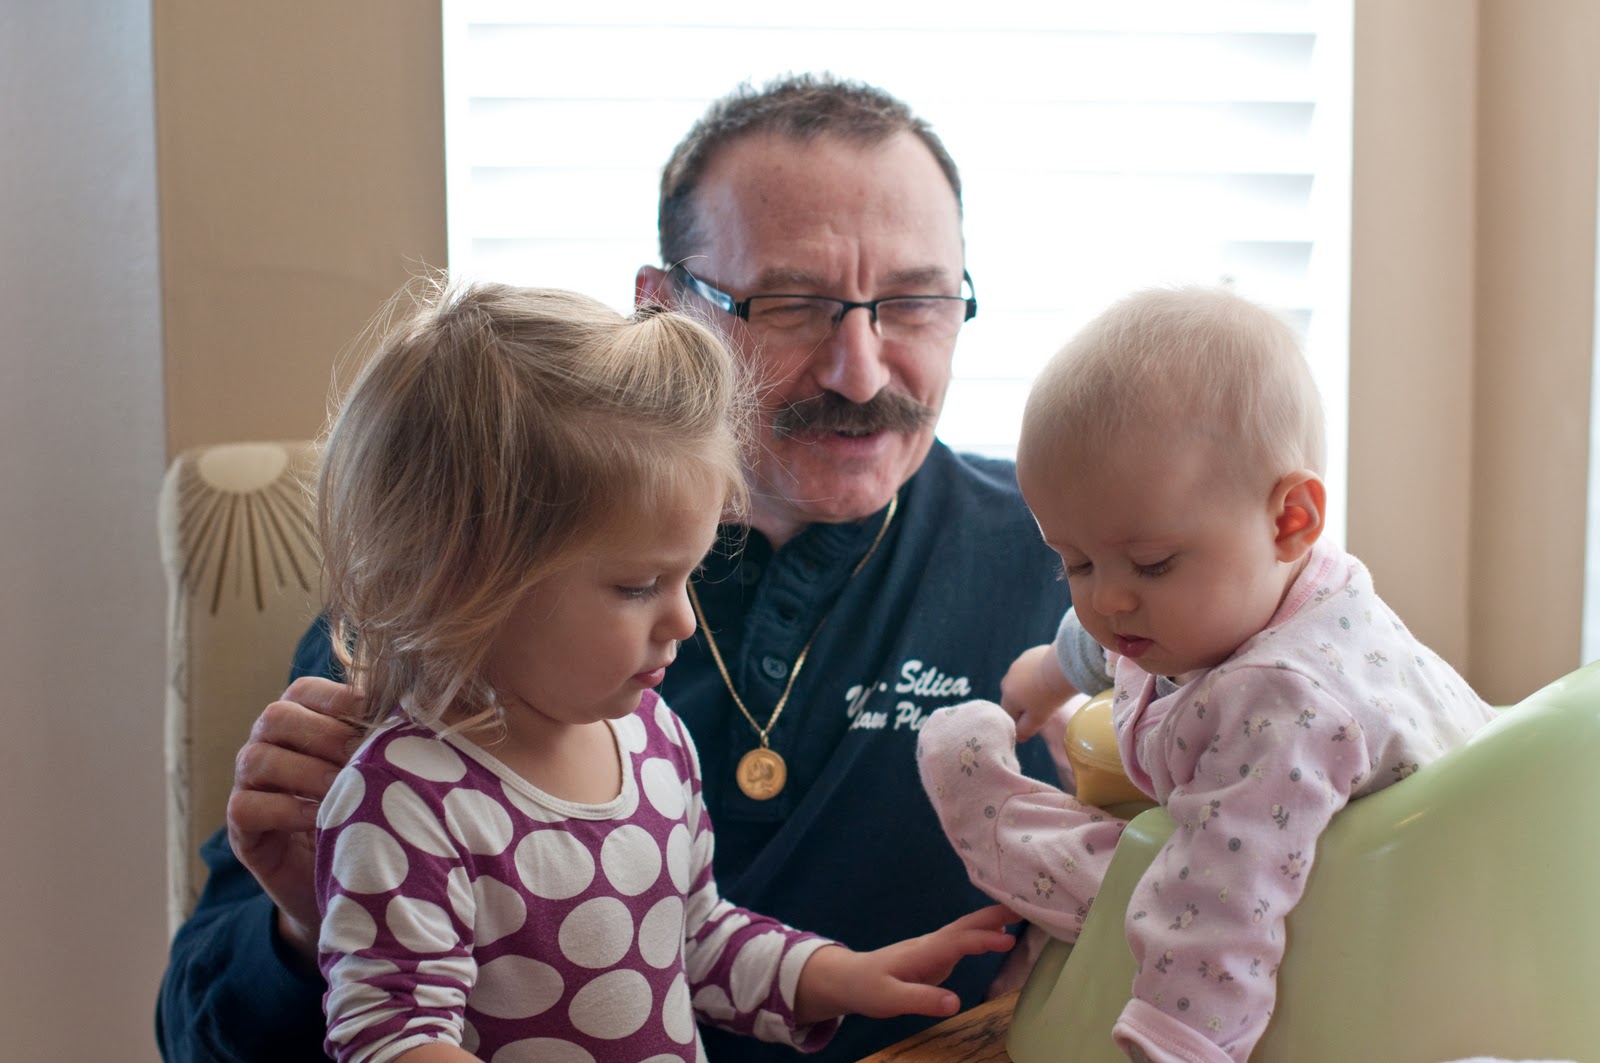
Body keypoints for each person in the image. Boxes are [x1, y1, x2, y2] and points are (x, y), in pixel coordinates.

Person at [156, 74, 1073, 1063]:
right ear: (662, 310)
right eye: (794, 304)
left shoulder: (1074, 561)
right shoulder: (467, 572)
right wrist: (314, 928)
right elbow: (193, 1035)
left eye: (916, 301)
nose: (860, 369)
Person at [308, 279, 1019, 1062]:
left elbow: (698, 937)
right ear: (464, 580)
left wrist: (843, 975)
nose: (682, 619)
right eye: (638, 586)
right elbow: (391, 1034)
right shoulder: (407, 797)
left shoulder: (652, 741)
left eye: (689, 575)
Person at [916, 286, 1498, 1063]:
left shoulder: (1284, 707)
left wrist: (1177, 1042)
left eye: (1152, 562)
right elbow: (1126, 635)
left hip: (1362, 932)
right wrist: (1053, 671)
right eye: (1075, 562)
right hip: (1369, 879)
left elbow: (1223, 903)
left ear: (1291, 519)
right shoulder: (1274, 584)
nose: (1107, 599)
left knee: (1147, 879)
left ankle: (980, 792)